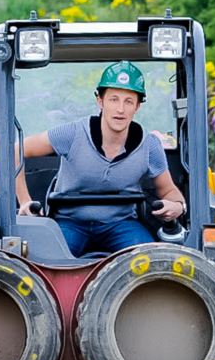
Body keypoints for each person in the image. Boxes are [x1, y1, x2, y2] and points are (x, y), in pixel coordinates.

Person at [15, 60, 186, 256]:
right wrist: (25, 201)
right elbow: (16, 151)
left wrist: (177, 206)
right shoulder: (72, 134)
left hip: (121, 224)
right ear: (100, 101)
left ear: (137, 106)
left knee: (151, 261)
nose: (120, 109)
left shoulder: (150, 145)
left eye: (128, 101)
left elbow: (169, 191)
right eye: (114, 99)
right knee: (46, 260)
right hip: (70, 222)